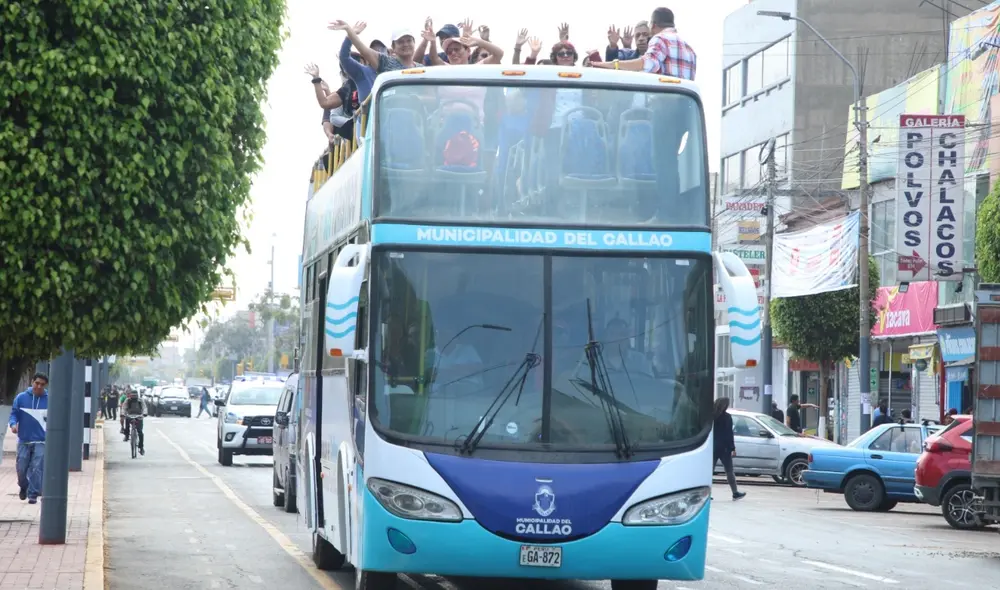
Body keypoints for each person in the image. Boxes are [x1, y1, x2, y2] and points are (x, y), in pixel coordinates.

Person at [589, 8, 696, 80]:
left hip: (662, 106)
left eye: (646, 34)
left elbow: (647, 63)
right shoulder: (690, 49)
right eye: (638, 35)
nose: (641, 39)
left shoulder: (660, 39)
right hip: (683, 111)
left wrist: (613, 64)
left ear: (653, 25)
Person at [9, 373, 49, 503]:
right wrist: (13, 425)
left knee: (37, 467)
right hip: (24, 440)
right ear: (32, 382)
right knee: (21, 468)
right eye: (37, 383)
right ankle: (23, 486)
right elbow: (14, 414)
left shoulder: (49, 400)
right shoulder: (21, 398)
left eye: (42, 385)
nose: (39, 386)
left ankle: (33, 494)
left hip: (41, 440)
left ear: (45, 386)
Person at [712, 398, 745, 501]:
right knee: (729, 471)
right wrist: (732, 448)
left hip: (712, 446)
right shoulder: (727, 417)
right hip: (724, 448)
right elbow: (729, 434)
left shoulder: (711, 417)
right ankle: (735, 493)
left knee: (709, 472)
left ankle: (706, 494)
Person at [122, 388, 148, 455]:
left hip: (139, 416)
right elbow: (124, 408)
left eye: (135, 396)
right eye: (132, 395)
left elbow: (144, 407)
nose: (134, 397)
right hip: (130, 415)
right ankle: (127, 435)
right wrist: (123, 414)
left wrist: (144, 413)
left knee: (140, 432)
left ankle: (141, 447)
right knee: (127, 425)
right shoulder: (127, 400)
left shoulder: (140, 400)